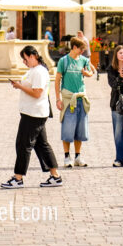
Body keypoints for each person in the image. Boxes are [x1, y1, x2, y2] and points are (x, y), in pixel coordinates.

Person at [0, 46, 62, 189]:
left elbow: (37, 93)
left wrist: (20, 87)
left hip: (34, 114)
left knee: (23, 144)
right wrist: (20, 84)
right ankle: (55, 176)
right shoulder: (34, 70)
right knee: (41, 145)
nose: (24, 61)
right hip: (33, 112)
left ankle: (18, 178)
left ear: (33, 56)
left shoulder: (40, 71)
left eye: (25, 58)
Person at [55, 37, 94, 168]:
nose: (83, 51)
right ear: (74, 47)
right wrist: (57, 99)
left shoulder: (84, 60)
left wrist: (86, 73)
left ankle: (78, 156)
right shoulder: (63, 61)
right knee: (67, 129)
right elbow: (57, 80)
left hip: (81, 98)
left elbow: (90, 73)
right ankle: (67, 157)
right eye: (81, 49)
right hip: (68, 99)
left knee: (80, 130)